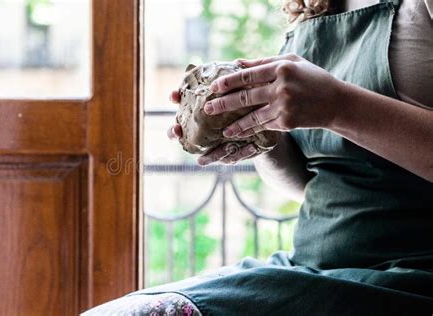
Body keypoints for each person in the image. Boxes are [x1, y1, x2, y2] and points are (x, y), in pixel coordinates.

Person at [83, 0, 433, 314]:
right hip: (313, 270)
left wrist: (340, 106)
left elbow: (339, 112)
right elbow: (310, 187)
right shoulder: (315, 7)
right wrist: (257, 132)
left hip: (410, 279)